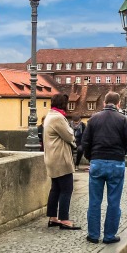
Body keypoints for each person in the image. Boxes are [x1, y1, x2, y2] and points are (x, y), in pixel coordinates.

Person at [82, 92, 127, 244]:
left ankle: (93, 235)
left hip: (97, 162)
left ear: (104, 103)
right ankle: (109, 236)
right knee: (113, 202)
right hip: (116, 163)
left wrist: (91, 157)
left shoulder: (93, 120)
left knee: (94, 201)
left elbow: (85, 143)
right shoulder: (123, 120)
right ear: (118, 104)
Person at [44, 94, 81, 230]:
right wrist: (71, 131)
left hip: (52, 157)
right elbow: (70, 135)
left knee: (56, 189)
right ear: (63, 104)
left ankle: (53, 218)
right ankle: (64, 220)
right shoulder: (58, 118)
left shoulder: (49, 116)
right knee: (67, 189)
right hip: (60, 158)